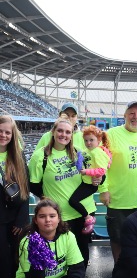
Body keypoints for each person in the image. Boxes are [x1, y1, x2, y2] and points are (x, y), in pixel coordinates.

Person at [29, 115, 96, 269]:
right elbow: (33, 184)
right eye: (60, 131)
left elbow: (93, 174)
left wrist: (98, 180)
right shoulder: (40, 156)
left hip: (83, 210)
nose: (63, 135)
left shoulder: (78, 153)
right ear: (53, 132)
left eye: (68, 132)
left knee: (82, 249)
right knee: (61, 251)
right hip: (59, 214)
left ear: (72, 135)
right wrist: (46, 199)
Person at [98, 102, 137, 278]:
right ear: (124, 116)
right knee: (117, 239)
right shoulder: (110, 135)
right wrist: (103, 189)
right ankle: (119, 270)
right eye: (131, 113)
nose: (135, 117)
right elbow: (100, 163)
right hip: (118, 199)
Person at [0, 115, 30, 278]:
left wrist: (21, 220)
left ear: (13, 135)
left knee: (17, 258)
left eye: (7, 132)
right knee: (2, 260)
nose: (3, 135)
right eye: (0, 131)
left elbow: (25, 190)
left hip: (15, 218)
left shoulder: (17, 157)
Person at [68, 125, 112, 234]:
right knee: (74, 200)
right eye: (86, 140)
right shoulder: (87, 151)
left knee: (73, 201)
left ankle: (88, 218)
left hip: (90, 184)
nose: (88, 143)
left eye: (91, 140)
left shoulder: (98, 153)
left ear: (98, 140)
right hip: (86, 182)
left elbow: (102, 170)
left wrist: (86, 172)